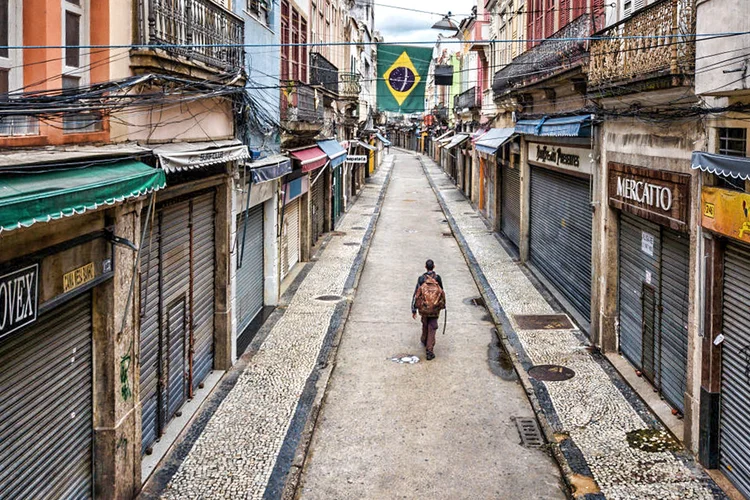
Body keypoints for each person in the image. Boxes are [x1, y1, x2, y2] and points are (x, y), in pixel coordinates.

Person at [411, 259, 445, 360]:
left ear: (425, 267)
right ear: (433, 267)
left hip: (424, 308)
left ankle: (424, 339)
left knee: (425, 323)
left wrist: (414, 309)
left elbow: (416, 295)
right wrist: (442, 305)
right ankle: (429, 351)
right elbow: (442, 292)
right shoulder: (438, 278)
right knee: (432, 327)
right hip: (435, 308)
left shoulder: (421, 279)